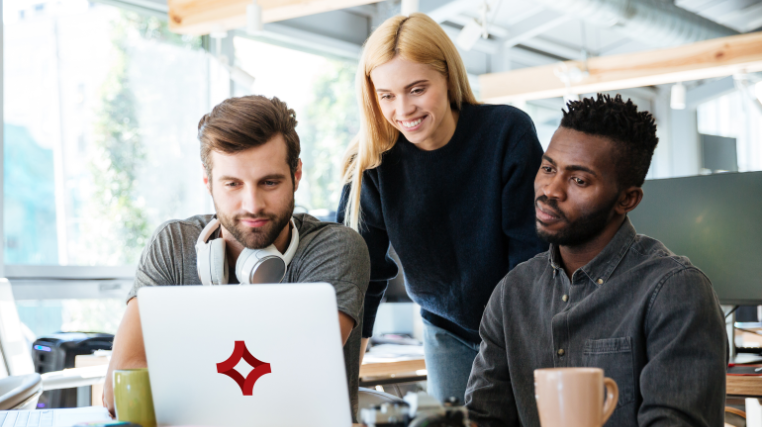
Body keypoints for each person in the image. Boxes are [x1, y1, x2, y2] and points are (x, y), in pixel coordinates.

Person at [465, 94, 728, 426]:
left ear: (627, 199)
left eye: (579, 180)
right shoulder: (512, 292)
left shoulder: (675, 292)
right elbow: (484, 417)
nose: (551, 190)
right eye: (548, 168)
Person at [103, 95, 370, 420]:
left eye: (269, 182)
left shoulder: (336, 248)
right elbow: (122, 387)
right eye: (232, 184)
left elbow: (292, 388)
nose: (252, 204)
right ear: (208, 182)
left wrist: (173, 379)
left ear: (297, 175)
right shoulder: (172, 245)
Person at [337, 13, 547, 403]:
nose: (403, 109)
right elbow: (359, 279)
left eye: (417, 89)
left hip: (522, 323)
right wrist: (341, 385)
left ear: (447, 76)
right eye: (386, 95)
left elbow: (531, 259)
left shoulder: (506, 132)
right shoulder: (370, 163)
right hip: (446, 329)